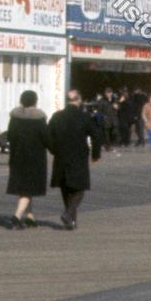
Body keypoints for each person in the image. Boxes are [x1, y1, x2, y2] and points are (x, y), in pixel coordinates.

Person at [49, 89, 103, 230]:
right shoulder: (84, 117)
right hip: (78, 155)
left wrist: (53, 149)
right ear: (79, 100)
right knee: (80, 188)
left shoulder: (57, 116)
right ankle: (68, 214)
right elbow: (97, 135)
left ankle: (71, 220)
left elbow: (48, 136)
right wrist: (95, 154)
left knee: (65, 186)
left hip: (61, 155)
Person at [5, 90, 51, 228]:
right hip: (35, 157)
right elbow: (46, 138)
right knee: (28, 187)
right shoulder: (39, 118)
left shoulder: (15, 117)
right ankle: (17, 216)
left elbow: (10, 136)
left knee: (25, 185)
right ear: (35, 101)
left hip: (17, 155)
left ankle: (30, 216)